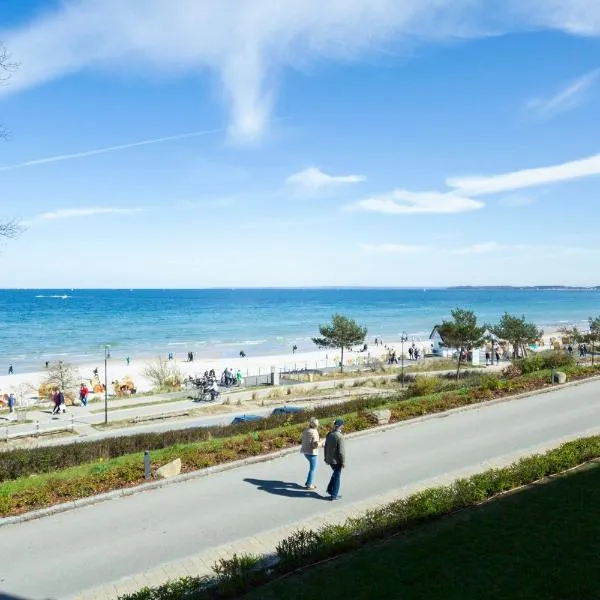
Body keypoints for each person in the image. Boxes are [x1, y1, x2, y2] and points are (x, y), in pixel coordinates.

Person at [324, 418, 345, 501]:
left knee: (335, 474)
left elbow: (326, 447)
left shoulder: (329, 434)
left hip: (330, 460)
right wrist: (343, 462)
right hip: (337, 461)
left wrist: (326, 458)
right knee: (337, 477)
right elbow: (341, 452)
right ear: (340, 426)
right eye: (342, 425)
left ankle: (330, 489)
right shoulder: (339, 436)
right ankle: (334, 495)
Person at [301, 417, 320, 490]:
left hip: (305, 452)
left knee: (311, 468)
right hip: (312, 453)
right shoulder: (314, 432)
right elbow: (315, 444)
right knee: (313, 469)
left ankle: (308, 481)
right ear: (316, 425)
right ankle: (309, 484)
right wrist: (322, 443)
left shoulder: (306, 430)